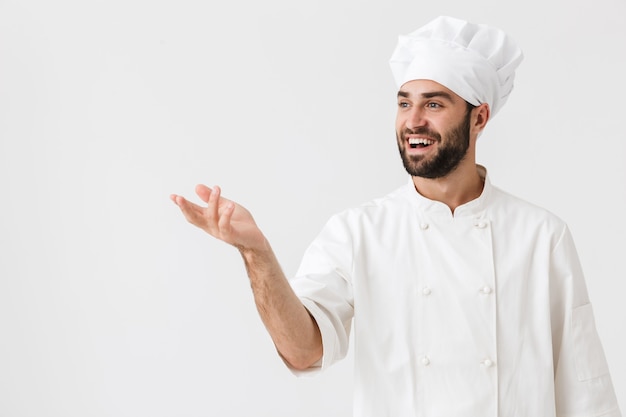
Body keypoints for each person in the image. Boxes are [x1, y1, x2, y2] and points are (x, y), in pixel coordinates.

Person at [170, 16, 621, 417]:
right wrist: (256, 253)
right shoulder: (358, 232)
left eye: (435, 104)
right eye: (404, 102)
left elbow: (586, 392)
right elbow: (303, 350)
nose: (413, 120)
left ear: (479, 117)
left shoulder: (541, 237)